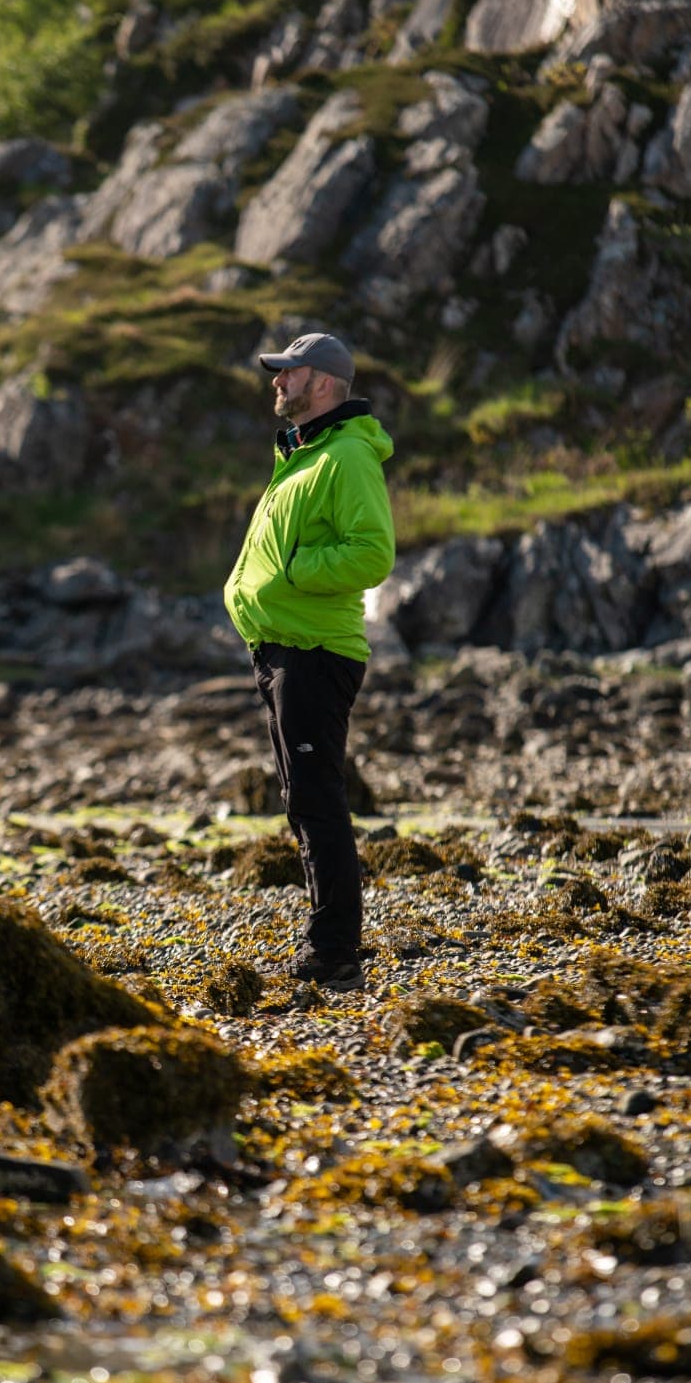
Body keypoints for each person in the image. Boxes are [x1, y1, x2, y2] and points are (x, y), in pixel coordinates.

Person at [224, 331, 395, 992]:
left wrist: (294, 571)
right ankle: (329, 944)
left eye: (288, 372)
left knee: (317, 800)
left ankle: (334, 953)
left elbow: (372, 553)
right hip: (281, 648)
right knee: (302, 799)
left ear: (322, 382)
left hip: (315, 651)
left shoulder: (346, 455)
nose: (277, 382)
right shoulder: (304, 454)